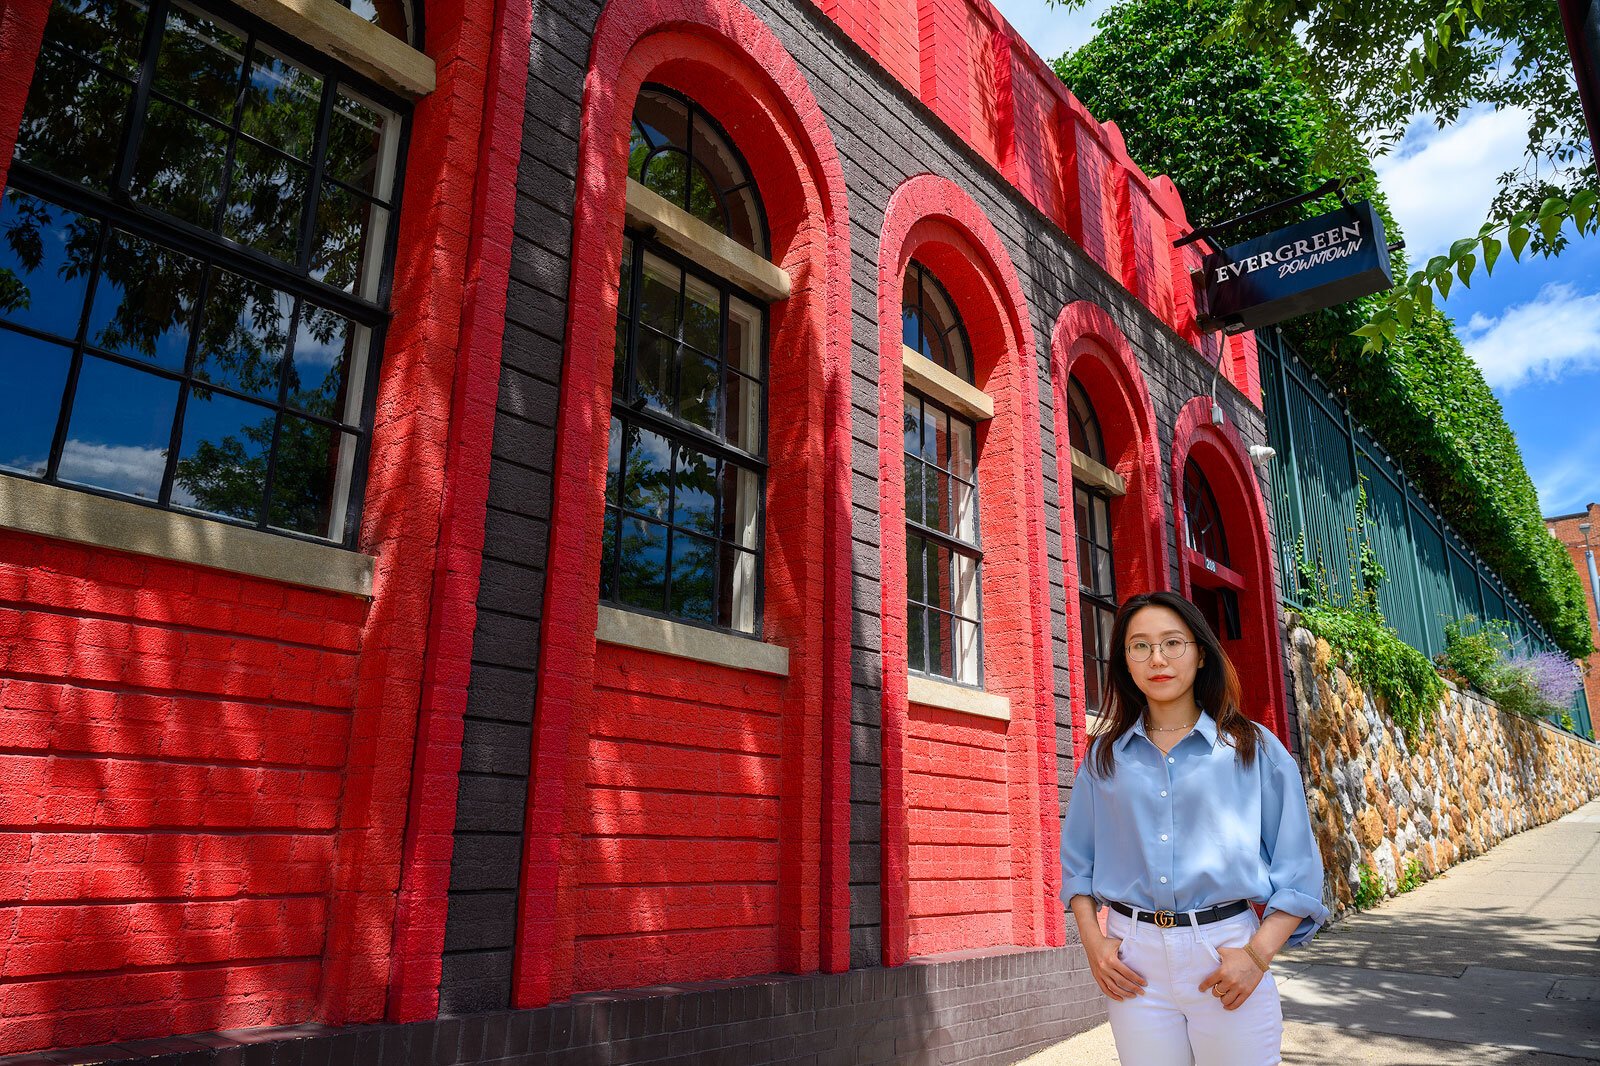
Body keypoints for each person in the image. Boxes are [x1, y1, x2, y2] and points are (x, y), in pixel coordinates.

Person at [1061, 590, 1329, 1066]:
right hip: (1133, 960)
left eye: (1172, 643)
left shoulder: (1252, 749)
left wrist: (1257, 956)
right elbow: (1078, 865)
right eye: (1139, 646)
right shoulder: (1104, 759)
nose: (1156, 658)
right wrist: (1093, 944)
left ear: (1201, 652)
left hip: (1226, 949)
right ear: (1125, 660)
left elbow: (1299, 872)